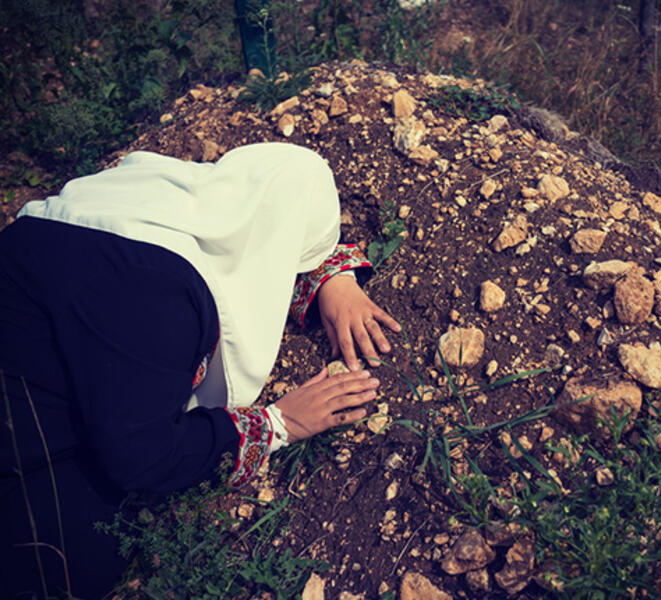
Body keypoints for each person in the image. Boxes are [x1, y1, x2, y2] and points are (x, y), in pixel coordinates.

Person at [0, 143, 400, 599]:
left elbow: (264, 233)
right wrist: (278, 424)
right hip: (22, 435)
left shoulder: (139, 191)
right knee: (80, 550)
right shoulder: (162, 301)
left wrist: (334, 278)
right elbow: (142, 457)